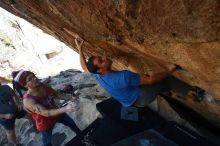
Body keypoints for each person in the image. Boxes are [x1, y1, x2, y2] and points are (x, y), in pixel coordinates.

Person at [75, 36, 204, 108]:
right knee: (162, 78)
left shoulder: (97, 75)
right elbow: (151, 80)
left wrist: (79, 47)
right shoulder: (123, 76)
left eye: (100, 57)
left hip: (129, 101)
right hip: (141, 98)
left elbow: (84, 66)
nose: (104, 58)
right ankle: (192, 93)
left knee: (145, 80)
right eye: (101, 61)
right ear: (101, 70)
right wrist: (172, 69)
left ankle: (164, 91)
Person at [15, 70, 81, 146]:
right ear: (25, 85)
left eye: (34, 76)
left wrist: (70, 98)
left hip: (57, 112)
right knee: (47, 141)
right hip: (44, 122)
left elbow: (56, 94)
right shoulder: (28, 100)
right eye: (30, 79)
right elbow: (46, 113)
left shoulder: (44, 85)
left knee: (71, 123)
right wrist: (65, 109)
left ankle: (82, 135)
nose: (34, 79)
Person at [0, 81, 26, 146]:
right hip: (4, 117)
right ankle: (15, 144)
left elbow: (13, 94)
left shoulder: (5, 87)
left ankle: (35, 126)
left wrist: (19, 103)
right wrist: (5, 116)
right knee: (10, 132)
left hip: (15, 109)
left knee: (27, 114)